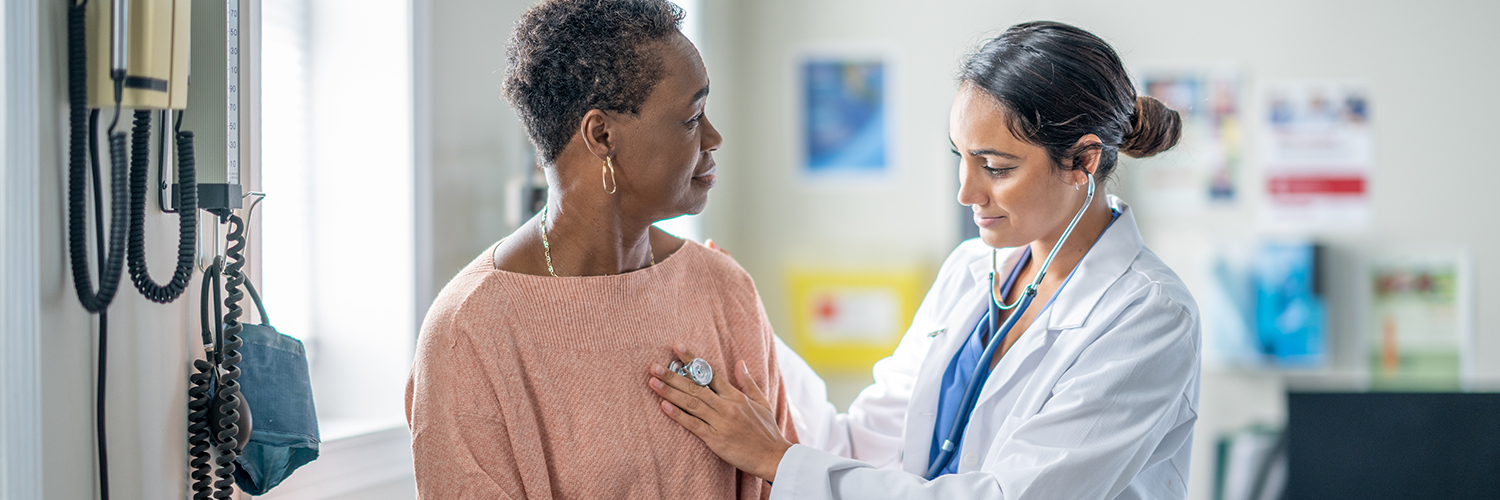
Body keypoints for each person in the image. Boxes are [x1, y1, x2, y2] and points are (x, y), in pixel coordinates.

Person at [646, 21, 1200, 499]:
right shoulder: (970, 271)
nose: (967, 193)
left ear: (1082, 160)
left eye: (997, 168)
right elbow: (861, 448)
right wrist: (749, 317)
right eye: (962, 159)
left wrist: (776, 460)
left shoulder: (1149, 317)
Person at [405, 1, 795, 498]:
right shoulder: (469, 331)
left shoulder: (725, 289)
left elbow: (788, 479)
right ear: (602, 134)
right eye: (692, 117)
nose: (714, 137)